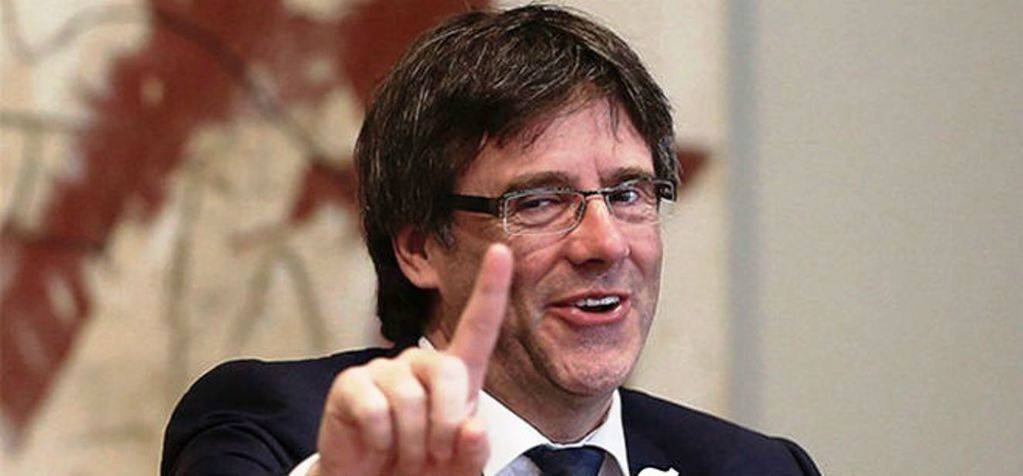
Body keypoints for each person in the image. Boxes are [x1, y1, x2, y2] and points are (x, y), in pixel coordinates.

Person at [161, 5, 820, 476]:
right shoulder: (267, 425)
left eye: (627, 194)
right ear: (419, 247)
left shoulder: (757, 466)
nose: (606, 243)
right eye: (538, 202)